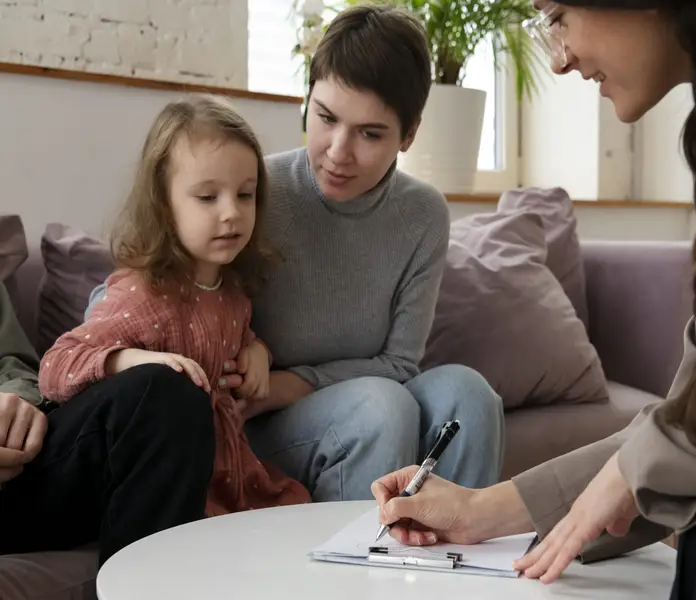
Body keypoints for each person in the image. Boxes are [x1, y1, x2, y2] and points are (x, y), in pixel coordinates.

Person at [371, 1, 696, 599]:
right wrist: (481, 511)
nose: (559, 57)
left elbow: (682, 443)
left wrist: (641, 466)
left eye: (557, 15)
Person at [84, 5, 505, 503]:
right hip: (251, 423)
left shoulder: (423, 215)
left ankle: (457, 565)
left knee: (469, 397)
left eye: (370, 134)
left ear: (409, 134)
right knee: (380, 406)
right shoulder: (249, 190)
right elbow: (130, 295)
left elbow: (399, 363)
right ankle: (354, 575)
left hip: (298, 398)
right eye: (325, 118)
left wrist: (283, 381)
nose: (338, 152)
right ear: (307, 100)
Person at [41, 95, 311, 524]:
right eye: (207, 197)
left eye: (245, 195)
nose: (232, 213)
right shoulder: (142, 294)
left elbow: (238, 340)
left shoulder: (233, 292)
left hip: (232, 473)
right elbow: (56, 368)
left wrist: (258, 352)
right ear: (165, 207)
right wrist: (131, 360)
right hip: (168, 481)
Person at [0, 270, 215, 562]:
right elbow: (62, 360)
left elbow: (13, 364)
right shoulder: (134, 296)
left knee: (164, 391)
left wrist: (17, 402)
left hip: (19, 467)